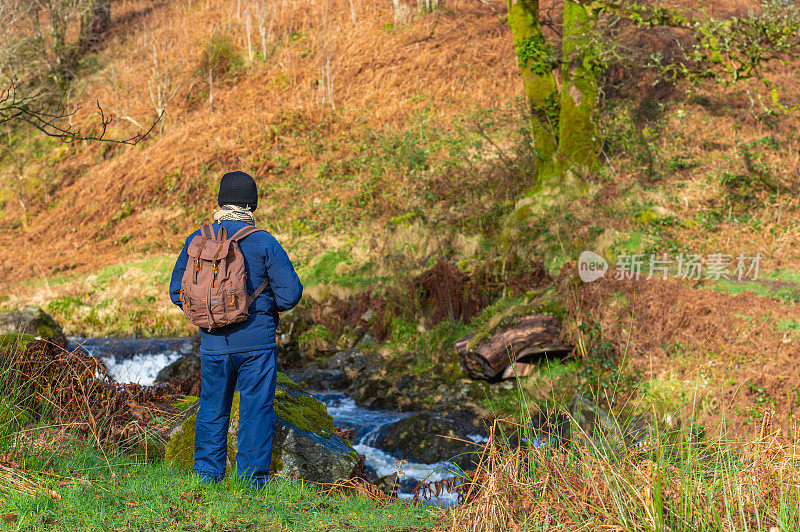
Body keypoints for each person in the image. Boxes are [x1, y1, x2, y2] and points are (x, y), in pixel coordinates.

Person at [169, 170, 303, 487]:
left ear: (220, 201)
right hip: (256, 344)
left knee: (212, 409)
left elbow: (178, 292)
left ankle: (206, 478)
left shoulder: (197, 241)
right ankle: (250, 484)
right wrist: (263, 308)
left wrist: (211, 312)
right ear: (251, 205)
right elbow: (291, 294)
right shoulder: (263, 241)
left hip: (213, 345)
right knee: (255, 412)